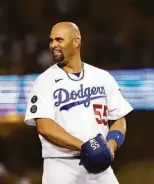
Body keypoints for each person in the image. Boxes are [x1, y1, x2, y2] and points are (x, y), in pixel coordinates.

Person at [24, 22, 133, 184]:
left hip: (101, 167)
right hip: (61, 166)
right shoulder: (44, 81)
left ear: (76, 42)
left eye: (59, 40)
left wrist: (111, 145)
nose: (53, 45)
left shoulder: (102, 77)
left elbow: (119, 119)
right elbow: (44, 126)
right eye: (51, 40)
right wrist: (86, 147)